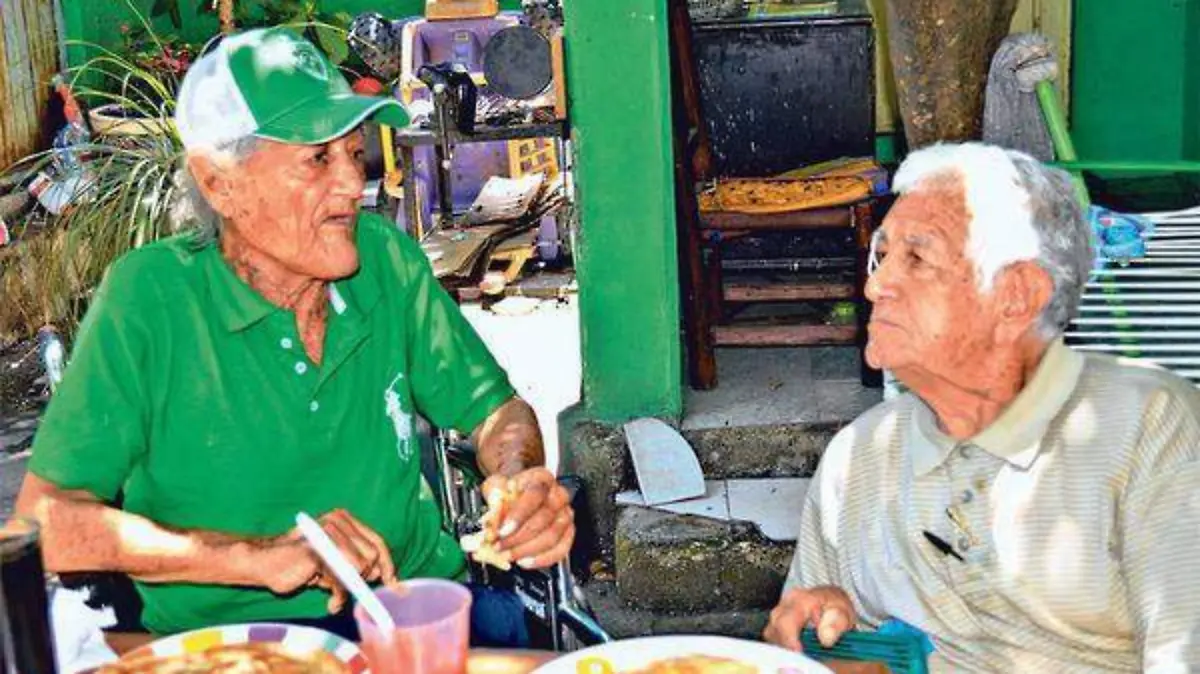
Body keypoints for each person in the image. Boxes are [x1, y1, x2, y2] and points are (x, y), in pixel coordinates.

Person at [15, 27, 573, 643]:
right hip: (235, 643)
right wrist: (254, 555)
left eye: (353, 153)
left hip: (408, 612)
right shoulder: (150, 300)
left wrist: (519, 480)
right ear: (218, 183)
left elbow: (495, 411)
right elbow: (47, 524)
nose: (350, 185)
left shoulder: (384, 259)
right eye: (316, 159)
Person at [763, 142, 1200, 672]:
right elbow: (812, 657)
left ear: (1016, 296)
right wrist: (823, 636)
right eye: (881, 256)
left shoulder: (1151, 428)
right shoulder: (859, 455)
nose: (875, 285)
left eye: (916, 259)